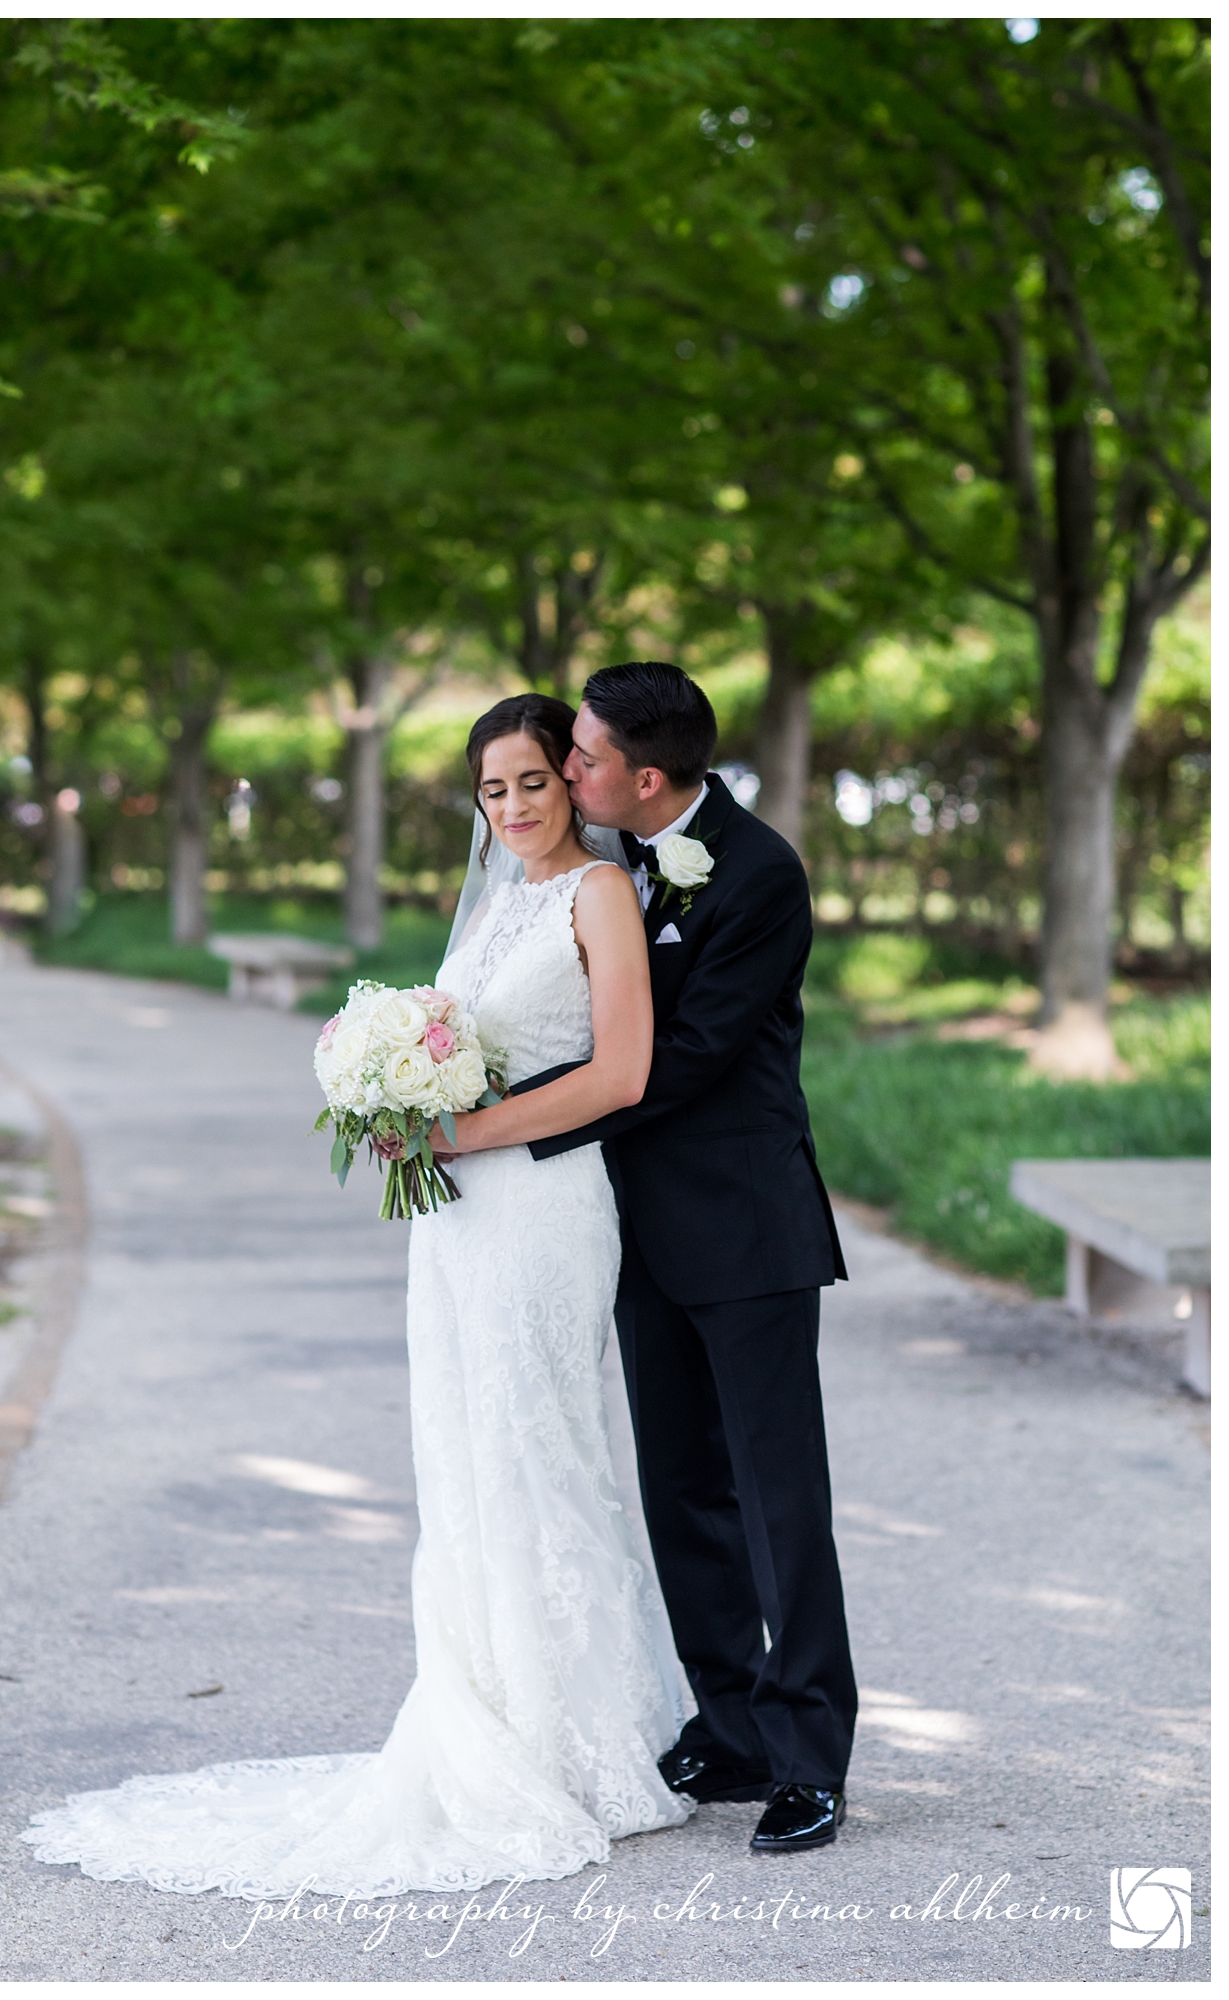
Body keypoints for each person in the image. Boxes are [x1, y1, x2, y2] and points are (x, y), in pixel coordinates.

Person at [20, 692, 693, 1901]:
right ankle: (486, 1709)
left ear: (573, 781)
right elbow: (461, 1035)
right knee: (466, 1450)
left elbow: (620, 1072)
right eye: (491, 789)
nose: (513, 806)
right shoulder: (490, 896)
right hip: (454, 1216)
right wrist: (397, 1108)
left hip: (542, 1209)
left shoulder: (598, 894)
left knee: (542, 1446)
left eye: (533, 780)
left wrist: (458, 1123)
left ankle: (577, 1737)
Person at [436, 660, 857, 1856]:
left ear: (646, 773)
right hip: (626, 1228)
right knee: (681, 1488)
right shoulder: (608, 865)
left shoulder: (761, 871)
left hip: (745, 1223)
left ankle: (809, 1753)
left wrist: (509, 1128)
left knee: (780, 1500)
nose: (565, 772)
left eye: (581, 757)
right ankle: (727, 1725)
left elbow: (686, 1057)